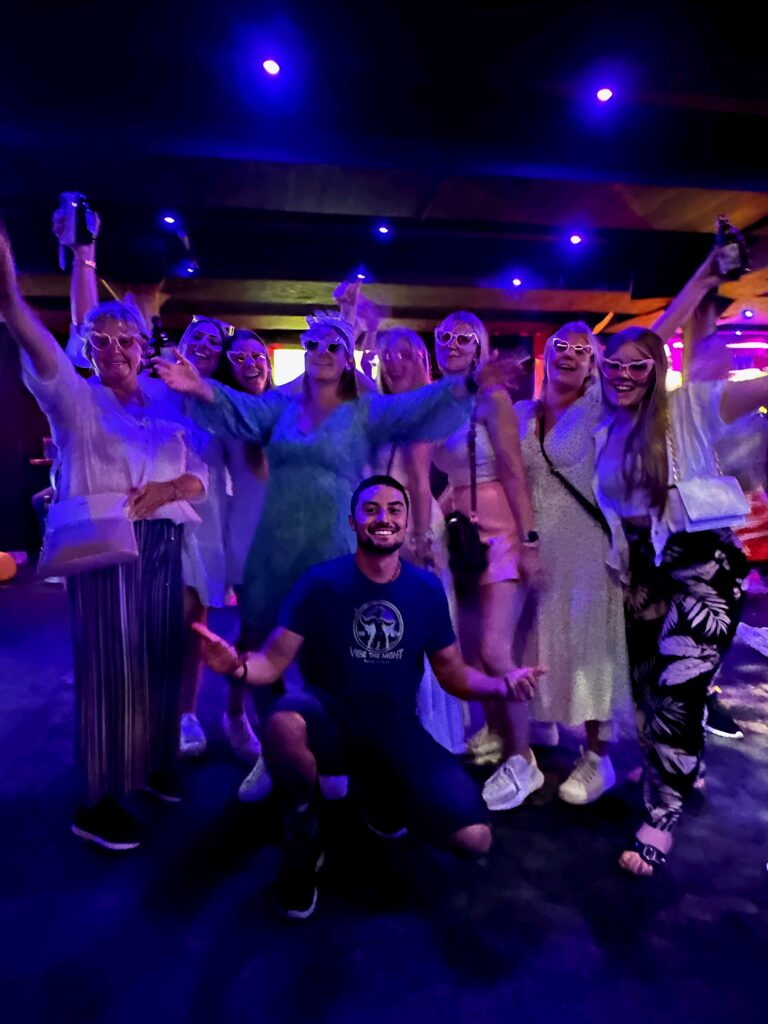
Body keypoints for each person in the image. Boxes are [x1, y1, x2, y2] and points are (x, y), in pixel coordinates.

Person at [155, 310, 519, 800]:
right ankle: (274, 751)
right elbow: (239, 408)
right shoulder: (280, 411)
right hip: (275, 551)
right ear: (304, 356)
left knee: (334, 659)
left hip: (333, 553)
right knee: (264, 649)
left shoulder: (364, 412)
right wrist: (199, 388)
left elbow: (416, 407)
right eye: (314, 346)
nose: (322, 354)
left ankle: (331, 752)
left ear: (348, 360)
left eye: (333, 347)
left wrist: (470, 382)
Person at [193, 476, 544, 918]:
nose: (384, 518)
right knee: (284, 721)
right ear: (353, 522)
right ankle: (303, 829)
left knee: (475, 838)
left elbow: (452, 672)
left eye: (395, 510)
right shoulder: (321, 583)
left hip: (395, 728)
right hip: (330, 719)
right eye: (372, 509)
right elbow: (274, 662)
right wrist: (239, 668)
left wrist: (502, 684)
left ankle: (382, 794)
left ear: (407, 521)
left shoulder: (425, 589)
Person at [0, 227, 207, 850]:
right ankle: (96, 801)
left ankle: (146, 767)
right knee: (110, 676)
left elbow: (201, 479)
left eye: (127, 339)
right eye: (102, 338)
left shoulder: (167, 406)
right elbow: (37, 346)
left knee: (160, 666)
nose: (115, 348)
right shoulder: (78, 402)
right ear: (86, 345)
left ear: (145, 347)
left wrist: (168, 491)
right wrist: (9, 296)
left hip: (164, 551)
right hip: (105, 550)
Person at [593, 325, 768, 876]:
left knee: (678, 687)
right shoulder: (603, 430)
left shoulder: (687, 407)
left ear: (656, 370)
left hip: (704, 568)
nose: (623, 375)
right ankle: (678, 770)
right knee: (648, 688)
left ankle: (663, 814)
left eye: (636, 365)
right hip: (643, 572)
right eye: (614, 364)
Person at [431, 312, 543, 812]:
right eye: (444, 337)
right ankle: (498, 733)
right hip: (462, 528)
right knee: (475, 648)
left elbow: (515, 472)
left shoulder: (492, 398)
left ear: (479, 348)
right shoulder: (441, 399)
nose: (452, 344)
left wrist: (530, 541)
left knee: (497, 651)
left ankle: (525, 760)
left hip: (499, 527)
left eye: (463, 338)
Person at [515, 323, 629, 803]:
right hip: (537, 542)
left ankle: (597, 759)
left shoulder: (600, 409)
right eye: (561, 345)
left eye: (582, 350)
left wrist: (705, 276)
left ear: (593, 364)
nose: (569, 354)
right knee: (537, 640)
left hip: (586, 546)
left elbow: (652, 337)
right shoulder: (523, 412)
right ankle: (544, 722)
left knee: (590, 648)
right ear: (546, 355)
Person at [375, 327, 466, 753]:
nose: (394, 361)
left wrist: (418, 535)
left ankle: (426, 739)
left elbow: (417, 473)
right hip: (383, 529)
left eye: (404, 353)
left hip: (414, 527)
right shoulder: (379, 408)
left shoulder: (426, 408)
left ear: (422, 359)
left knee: (420, 634)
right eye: (386, 354)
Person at [175, 317, 261, 764]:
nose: (206, 344)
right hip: (157, 519)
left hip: (212, 523)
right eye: (198, 337)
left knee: (199, 621)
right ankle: (175, 714)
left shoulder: (229, 405)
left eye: (214, 340)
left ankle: (225, 713)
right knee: (159, 626)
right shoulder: (155, 390)